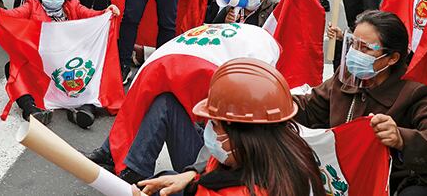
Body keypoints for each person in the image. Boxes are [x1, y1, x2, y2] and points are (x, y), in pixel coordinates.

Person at [299, 11, 427, 196]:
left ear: (393, 58)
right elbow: (310, 108)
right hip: (348, 174)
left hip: (400, 182)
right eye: (354, 44)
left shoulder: (416, 91)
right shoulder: (346, 79)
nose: (355, 53)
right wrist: (276, 102)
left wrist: (401, 139)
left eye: (366, 48)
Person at [132, 59, 325, 196]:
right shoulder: (290, 156)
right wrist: (193, 174)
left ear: (240, 135)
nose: (208, 129)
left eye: (215, 124)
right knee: (167, 179)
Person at [0, 0, 120, 127]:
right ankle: (31, 110)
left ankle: (86, 110)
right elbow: (13, 15)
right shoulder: (32, 5)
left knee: (95, 71)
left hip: (69, 67)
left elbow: (93, 15)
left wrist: (107, 12)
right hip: (42, 68)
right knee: (13, 67)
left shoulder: (74, 6)